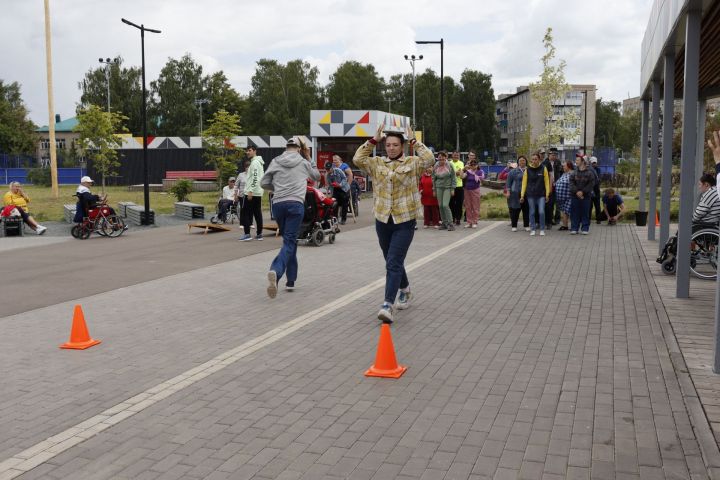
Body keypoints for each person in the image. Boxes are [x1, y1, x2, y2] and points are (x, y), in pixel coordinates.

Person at [353, 123, 434, 324]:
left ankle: (387, 304)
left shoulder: (413, 163)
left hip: (404, 220)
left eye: (395, 145)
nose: (391, 148)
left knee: (393, 262)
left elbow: (429, 158)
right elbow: (357, 159)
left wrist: (414, 140)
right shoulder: (376, 163)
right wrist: (373, 141)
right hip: (382, 219)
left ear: (402, 146)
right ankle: (405, 289)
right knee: (391, 260)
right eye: (388, 145)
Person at [261, 137, 320, 298]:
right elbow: (317, 177)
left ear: (286, 147)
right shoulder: (303, 162)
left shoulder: (275, 160)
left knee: (290, 241)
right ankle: (276, 271)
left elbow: (264, 182)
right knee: (289, 240)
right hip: (295, 204)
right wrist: (309, 157)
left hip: (278, 204)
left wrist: (278, 187)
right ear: (300, 149)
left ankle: (291, 281)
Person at [520, 152, 550, 236]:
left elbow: (547, 182)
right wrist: (522, 195)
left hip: (541, 194)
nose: (534, 161)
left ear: (539, 159)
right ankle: (532, 229)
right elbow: (524, 183)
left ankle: (542, 229)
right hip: (531, 195)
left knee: (541, 212)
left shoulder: (543, 168)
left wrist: (547, 194)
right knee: (532, 212)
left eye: (536, 159)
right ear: (531, 160)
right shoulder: (527, 169)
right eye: (532, 159)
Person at [240, 145, 264, 241]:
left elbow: (255, 178)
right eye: (247, 151)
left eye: (249, 150)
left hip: (251, 192)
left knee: (245, 212)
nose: (247, 152)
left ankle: (247, 234)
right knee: (257, 213)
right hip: (258, 192)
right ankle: (259, 234)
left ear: (254, 151)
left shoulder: (254, 163)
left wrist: (250, 191)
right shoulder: (259, 162)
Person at [569, 155, 597, 235]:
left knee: (585, 212)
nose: (576, 162)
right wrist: (577, 192)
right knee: (575, 212)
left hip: (586, 196)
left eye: (577, 160)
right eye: (576, 160)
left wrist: (583, 192)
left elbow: (592, 184)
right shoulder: (574, 172)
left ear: (582, 161)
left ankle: (585, 228)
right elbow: (571, 183)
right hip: (575, 196)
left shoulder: (589, 173)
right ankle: (574, 228)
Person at [432, 151, 456, 231]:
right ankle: (444, 223)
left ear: (446, 158)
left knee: (445, 205)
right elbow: (433, 178)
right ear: (437, 158)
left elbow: (453, 177)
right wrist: (434, 190)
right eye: (439, 158)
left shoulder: (449, 165)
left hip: (447, 187)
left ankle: (451, 224)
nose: (441, 159)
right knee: (440, 206)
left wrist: (452, 188)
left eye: (443, 158)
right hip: (439, 187)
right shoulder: (436, 165)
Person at [461, 158, 484, 228]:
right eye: (471, 164)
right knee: (468, 206)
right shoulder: (468, 171)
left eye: (474, 164)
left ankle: (475, 221)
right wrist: (463, 169)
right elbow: (461, 176)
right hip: (467, 190)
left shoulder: (480, 171)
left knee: (475, 206)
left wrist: (475, 175)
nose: (473, 166)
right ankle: (469, 222)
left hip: (475, 190)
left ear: (477, 165)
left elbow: (482, 178)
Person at [554, 160, 574, 231]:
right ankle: (565, 225)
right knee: (564, 211)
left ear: (568, 166)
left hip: (569, 196)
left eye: (564, 166)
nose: (563, 167)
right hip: (562, 198)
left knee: (571, 211)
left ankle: (574, 226)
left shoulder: (572, 174)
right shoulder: (564, 173)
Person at [448, 151, 465, 225]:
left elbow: (460, 173)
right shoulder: (449, 163)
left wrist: (454, 173)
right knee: (451, 203)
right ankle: (452, 218)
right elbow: (449, 174)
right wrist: (456, 173)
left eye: (457, 155)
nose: (456, 156)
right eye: (455, 155)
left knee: (459, 203)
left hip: (459, 186)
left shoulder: (461, 163)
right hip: (451, 186)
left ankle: (458, 218)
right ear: (452, 155)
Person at [588, 156, 602, 224]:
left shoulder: (598, 169)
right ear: (590, 162)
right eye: (593, 163)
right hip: (590, 190)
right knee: (589, 205)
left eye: (595, 163)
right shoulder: (588, 169)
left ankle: (598, 219)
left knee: (597, 205)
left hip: (596, 190)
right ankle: (588, 219)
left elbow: (598, 179)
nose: (594, 164)